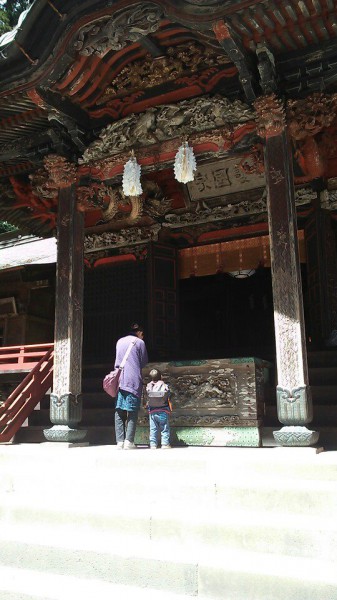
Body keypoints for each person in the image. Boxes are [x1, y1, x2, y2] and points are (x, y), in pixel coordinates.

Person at [114, 323, 148, 449]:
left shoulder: (119, 342)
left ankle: (119, 441)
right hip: (133, 381)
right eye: (142, 334)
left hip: (119, 381)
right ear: (139, 332)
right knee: (132, 411)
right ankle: (129, 441)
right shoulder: (140, 343)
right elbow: (143, 361)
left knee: (119, 410)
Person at [145, 368, 172, 449]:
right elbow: (169, 394)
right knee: (164, 428)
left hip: (152, 411)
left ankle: (153, 444)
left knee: (153, 429)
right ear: (161, 376)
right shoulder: (164, 385)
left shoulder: (148, 386)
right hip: (163, 411)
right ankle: (165, 444)